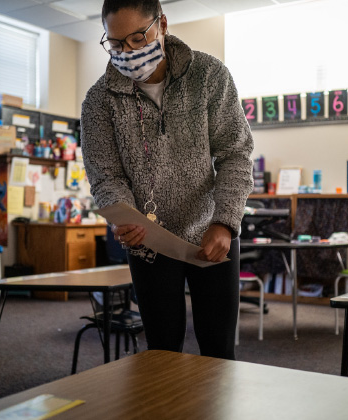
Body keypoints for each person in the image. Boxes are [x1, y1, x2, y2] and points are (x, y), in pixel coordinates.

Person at [80, 0, 253, 360]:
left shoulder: (209, 75)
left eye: (138, 38)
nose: (128, 51)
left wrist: (225, 221)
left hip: (212, 235)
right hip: (150, 243)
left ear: (162, 24)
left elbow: (235, 153)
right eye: (116, 44)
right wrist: (125, 216)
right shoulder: (99, 101)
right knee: (161, 352)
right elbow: (105, 173)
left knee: (219, 351)